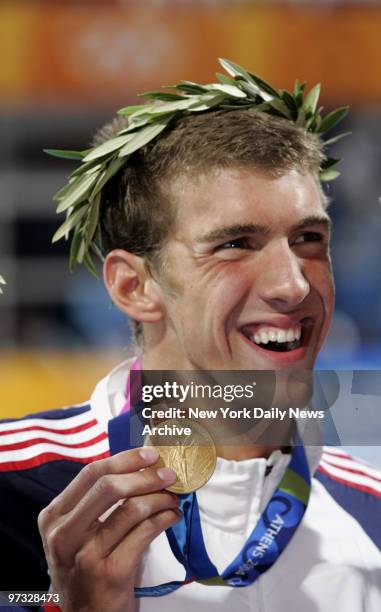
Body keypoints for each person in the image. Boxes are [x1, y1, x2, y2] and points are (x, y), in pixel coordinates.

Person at [0, 59, 380, 612]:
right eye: (236, 244)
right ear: (135, 286)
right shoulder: (14, 487)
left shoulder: (369, 512)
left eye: (308, 238)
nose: (294, 284)